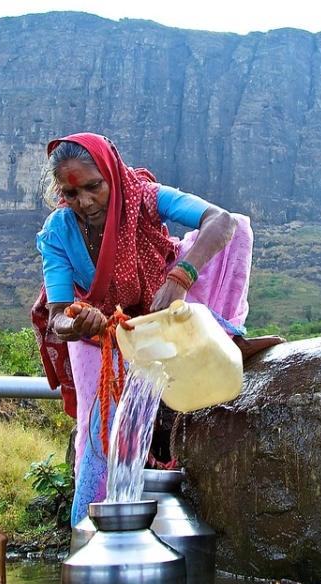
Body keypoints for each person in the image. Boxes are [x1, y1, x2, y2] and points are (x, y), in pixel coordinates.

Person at [31, 132, 282, 525]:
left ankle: (225, 335)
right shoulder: (58, 231)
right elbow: (58, 315)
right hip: (99, 334)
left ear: (112, 174)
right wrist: (80, 321)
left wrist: (181, 277)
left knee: (241, 231)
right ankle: (87, 530)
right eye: (71, 194)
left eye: (94, 187)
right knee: (98, 435)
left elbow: (221, 221)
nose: (85, 202)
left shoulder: (143, 197)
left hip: (159, 313)